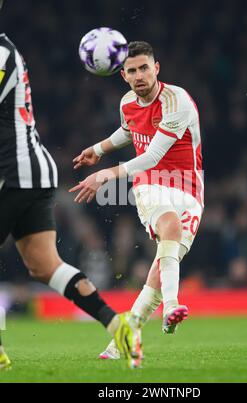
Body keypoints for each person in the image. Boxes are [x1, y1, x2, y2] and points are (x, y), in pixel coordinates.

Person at [0, 0, 142, 370]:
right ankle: (117, 323)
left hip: (13, 171)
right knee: (44, 264)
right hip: (32, 170)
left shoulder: (0, 51)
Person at [70, 41, 204, 359]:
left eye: (145, 67)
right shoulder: (127, 102)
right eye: (132, 70)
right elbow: (129, 131)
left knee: (159, 271)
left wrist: (106, 174)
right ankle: (171, 306)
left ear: (156, 68)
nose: (139, 74)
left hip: (189, 188)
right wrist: (99, 149)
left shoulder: (177, 102)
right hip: (150, 183)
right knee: (168, 225)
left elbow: (155, 151)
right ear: (124, 76)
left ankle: (122, 341)